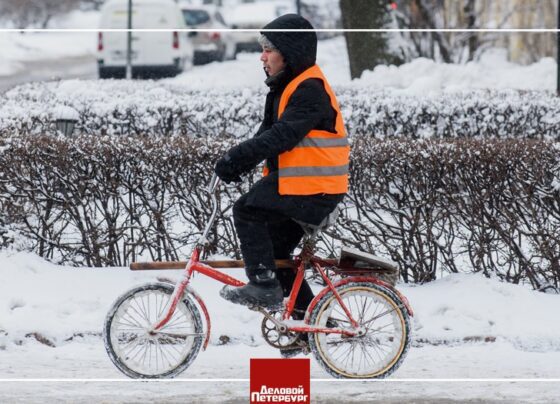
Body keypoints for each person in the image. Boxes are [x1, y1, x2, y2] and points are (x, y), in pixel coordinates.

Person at [215, 14, 349, 320]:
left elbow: (283, 136)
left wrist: (237, 158)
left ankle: (262, 286)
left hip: (314, 188)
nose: (262, 56)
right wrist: (237, 163)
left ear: (289, 52)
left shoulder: (309, 89)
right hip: (299, 186)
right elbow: (266, 135)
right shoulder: (286, 87)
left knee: (246, 210)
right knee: (276, 258)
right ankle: (312, 326)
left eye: (268, 49)